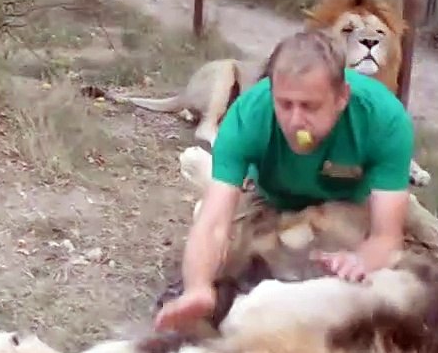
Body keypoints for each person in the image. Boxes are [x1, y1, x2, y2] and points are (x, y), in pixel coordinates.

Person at [154, 30, 416, 332]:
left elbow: (386, 236)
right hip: (270, 198)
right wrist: (198, 287)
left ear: (342, 97)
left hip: (353, 205)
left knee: (436, 269)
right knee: (223, 250)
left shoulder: (384, 119)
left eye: (310, 106)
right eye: (285, 104)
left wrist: (362, 260)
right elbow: (214, 225)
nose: (295, 121)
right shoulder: (248, 116)